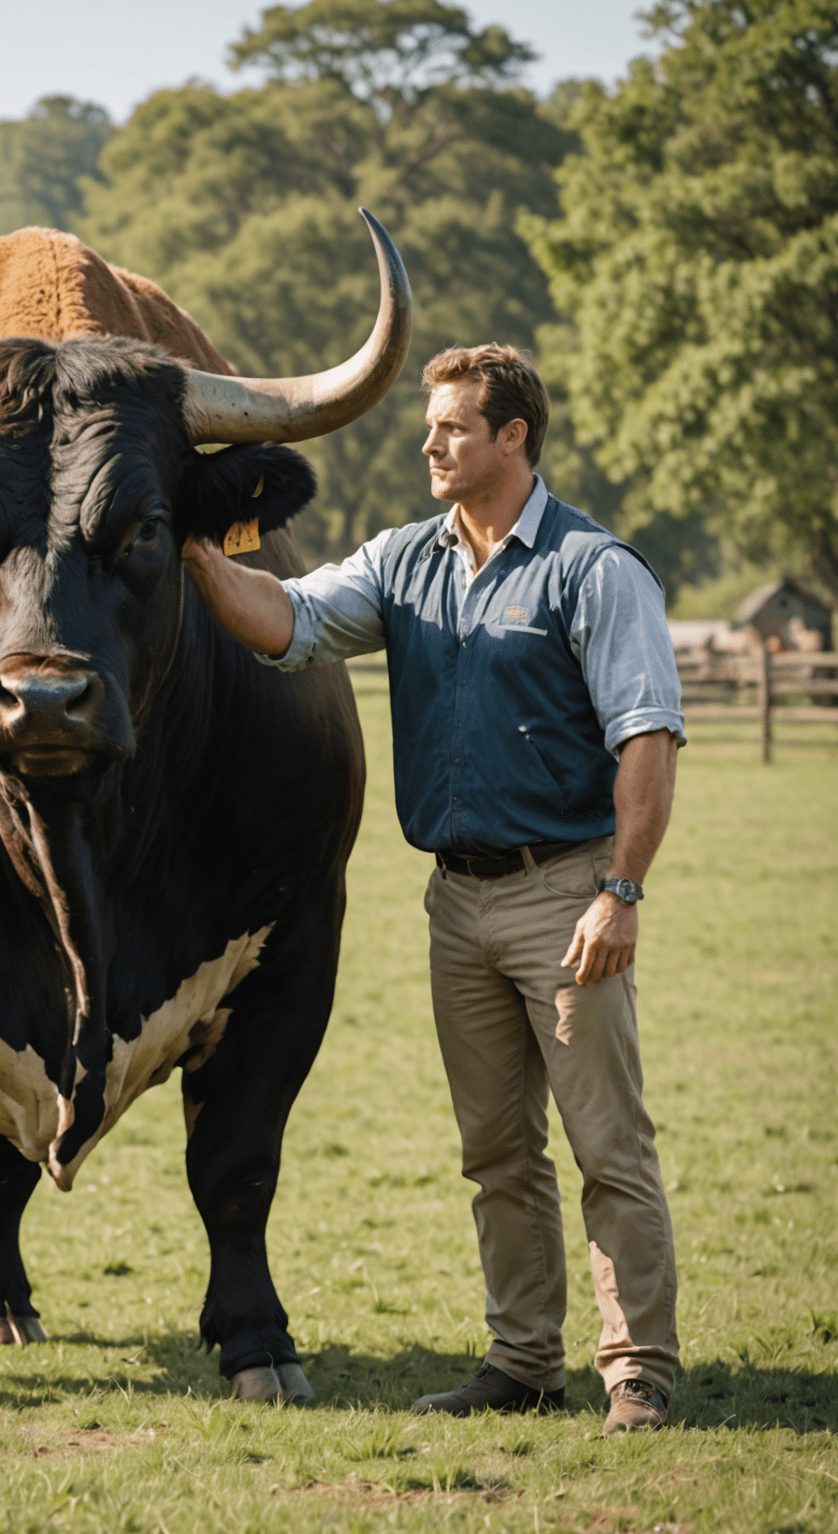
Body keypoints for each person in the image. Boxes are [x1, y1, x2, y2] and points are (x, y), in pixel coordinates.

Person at [183, 344, 682, 1434]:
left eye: (454, 426)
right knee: (497, 1151)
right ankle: (523, 1362)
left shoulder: (595, 570)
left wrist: (621, 893)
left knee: (607, 1145)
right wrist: (189, 548)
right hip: (455, 904)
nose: (430, 443)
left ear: (515, 437)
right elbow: (292, 621)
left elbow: (648, 738)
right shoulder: (405, 561)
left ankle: (636, 1369)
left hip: (566, 894)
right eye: (430, 425)